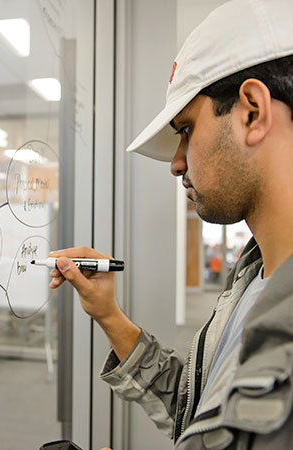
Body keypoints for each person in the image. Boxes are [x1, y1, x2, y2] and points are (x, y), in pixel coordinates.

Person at [50, 0, 293, 448]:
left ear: (252, 112)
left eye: (185, 130)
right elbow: (201, 416)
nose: (177, 163)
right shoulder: (253, 277)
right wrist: (109, 314)